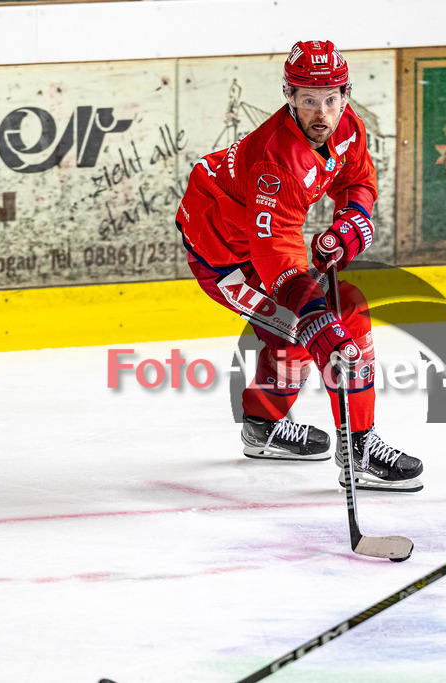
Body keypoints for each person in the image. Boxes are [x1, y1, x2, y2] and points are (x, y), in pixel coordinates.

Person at [175, 39, 423, 492]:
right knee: (310, 328)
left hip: (257, 240)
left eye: (331, 99)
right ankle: (350, 444)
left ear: (345, 96)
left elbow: (357, 180)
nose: (321, 113)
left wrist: (349, 226)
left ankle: (269, 426)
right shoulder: (277, 161)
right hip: (224, 258)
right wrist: (319, 328)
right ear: (289, 97)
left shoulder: (348, 127)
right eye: (308, 100)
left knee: (329, 321)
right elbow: (278, 264)